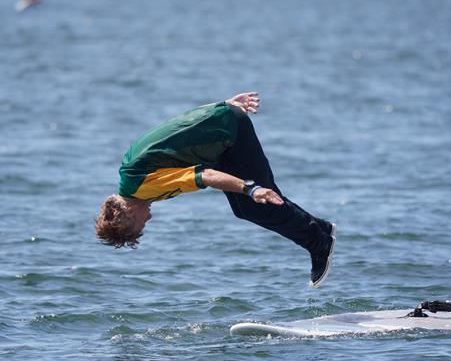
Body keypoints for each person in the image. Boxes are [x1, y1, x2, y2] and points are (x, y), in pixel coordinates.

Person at [95, 92, 336, 287]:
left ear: (127, 212)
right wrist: (222, 106)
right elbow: (175, 126)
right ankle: (320, 229)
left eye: (142, 223)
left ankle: (319, 242)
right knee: (246, 209)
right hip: (222, 134)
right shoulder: (129, 173)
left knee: (258, 205)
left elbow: (206, 176)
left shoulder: (143, 186)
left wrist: (250, 189)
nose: (149, 218)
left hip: (228, 135)